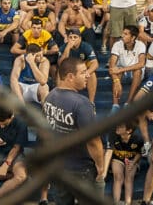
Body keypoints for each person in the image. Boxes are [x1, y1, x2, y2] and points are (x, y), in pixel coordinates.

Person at [42, 56, 107, 205]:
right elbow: (93, 141)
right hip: (81, 169)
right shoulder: (82, 104)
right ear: (70, 77)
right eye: (83, 72)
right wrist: (100, 166)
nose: (88, 75)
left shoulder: (50, 96)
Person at [105, 121, 144, 205]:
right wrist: (104, 171)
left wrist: (133, 162)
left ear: (129, 130)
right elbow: (109, 152)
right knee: (118, 177)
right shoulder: (113, 134)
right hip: (117, 159)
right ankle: (116, 202)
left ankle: (128, 203)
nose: (117, 127)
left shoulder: (138, 138)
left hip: (132, 160)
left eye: (121, 126)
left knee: (129, 177)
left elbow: (140, 153)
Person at [109, 25, 146, 111]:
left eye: (125, 34)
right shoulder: (117, 44)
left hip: (134, 71)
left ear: (133, 37)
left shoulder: (141, 45)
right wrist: (116, 81)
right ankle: (115, 105)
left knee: (137, 71)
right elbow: (112, 66)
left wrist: (121, 69)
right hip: (122, 71)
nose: (122, 36)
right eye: (123, 33)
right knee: (117, 71)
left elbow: (141, 64)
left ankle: (128, 102)